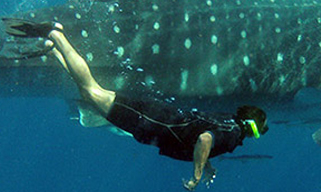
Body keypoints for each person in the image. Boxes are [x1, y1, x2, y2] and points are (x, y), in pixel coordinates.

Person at [2, 18, 269, 191]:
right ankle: (57, 36)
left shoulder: (228, 119)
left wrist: (207, 163)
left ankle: (54, 48)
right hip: (152, 123)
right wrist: (197, 174)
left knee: (90, 95)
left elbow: (207, 136)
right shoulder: (234, 134)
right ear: (248, 126)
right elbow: (206, 138)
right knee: (92, 90)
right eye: (257, 131)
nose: (254, 136)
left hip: (156, 116)